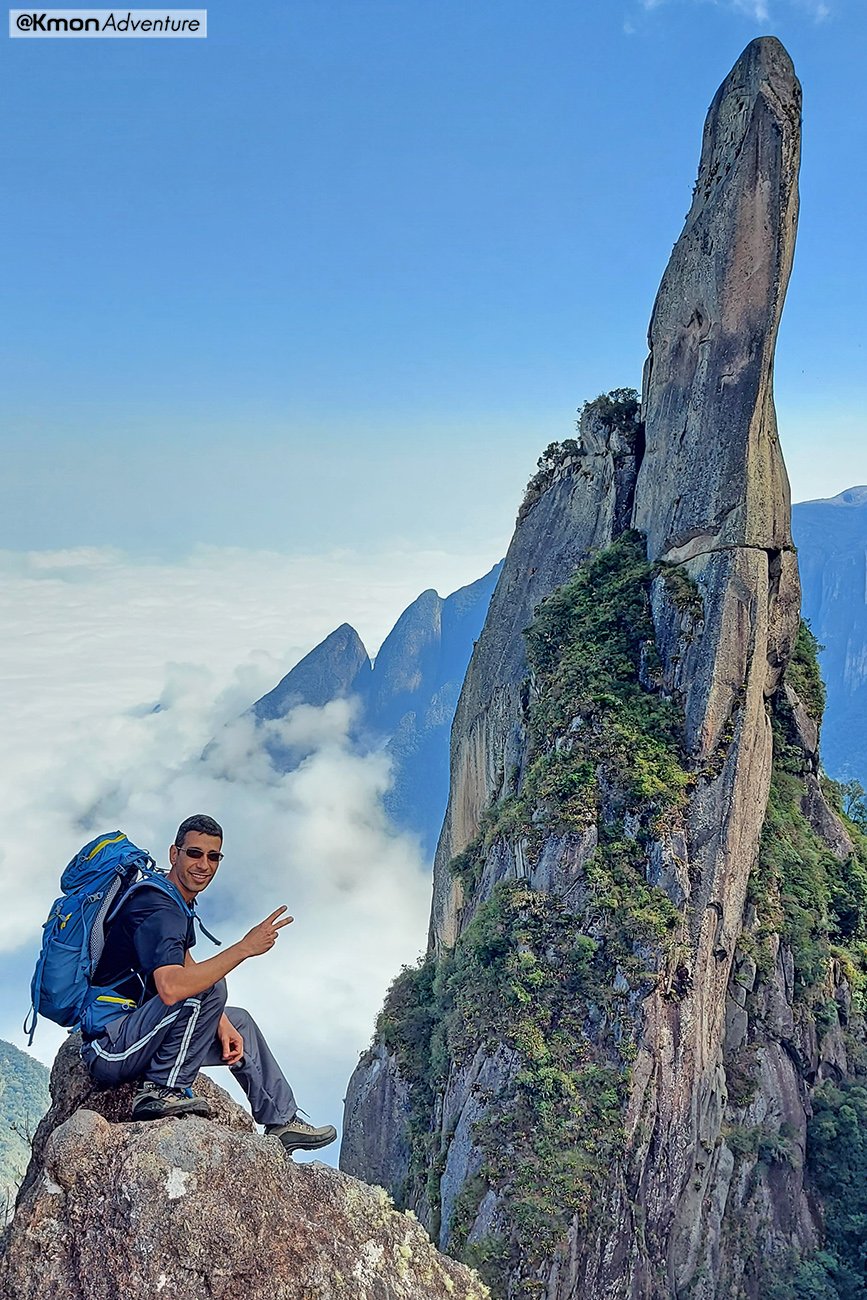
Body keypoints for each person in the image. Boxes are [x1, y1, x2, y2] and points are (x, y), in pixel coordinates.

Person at [80, 813, 336, 1155]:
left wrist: (222, 1022)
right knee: (209, 987)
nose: (204, 864)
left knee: (238, 1020)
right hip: (111, 1047)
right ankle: (162, 1090)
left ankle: (282, 1120)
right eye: (194, 854)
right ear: (175, 854)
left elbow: (183, 961)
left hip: (140, 1034)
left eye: (213, 857)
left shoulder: (173, 901)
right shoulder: (157, 906)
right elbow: (172, 987)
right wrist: (244, 948)